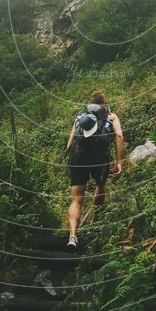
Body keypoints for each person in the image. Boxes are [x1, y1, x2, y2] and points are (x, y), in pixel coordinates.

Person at [66, 90, 124, 250]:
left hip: (78, 158)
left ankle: (72, 236)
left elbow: (70, 143)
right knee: (100, 186)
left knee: (76, 200)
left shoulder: (80, 118)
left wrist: (72, 162)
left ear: (90, 103)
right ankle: (94, 220)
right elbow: (119, 136)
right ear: (105, 104)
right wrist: (119, 162)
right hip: (100, 159)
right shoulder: (111, 116)